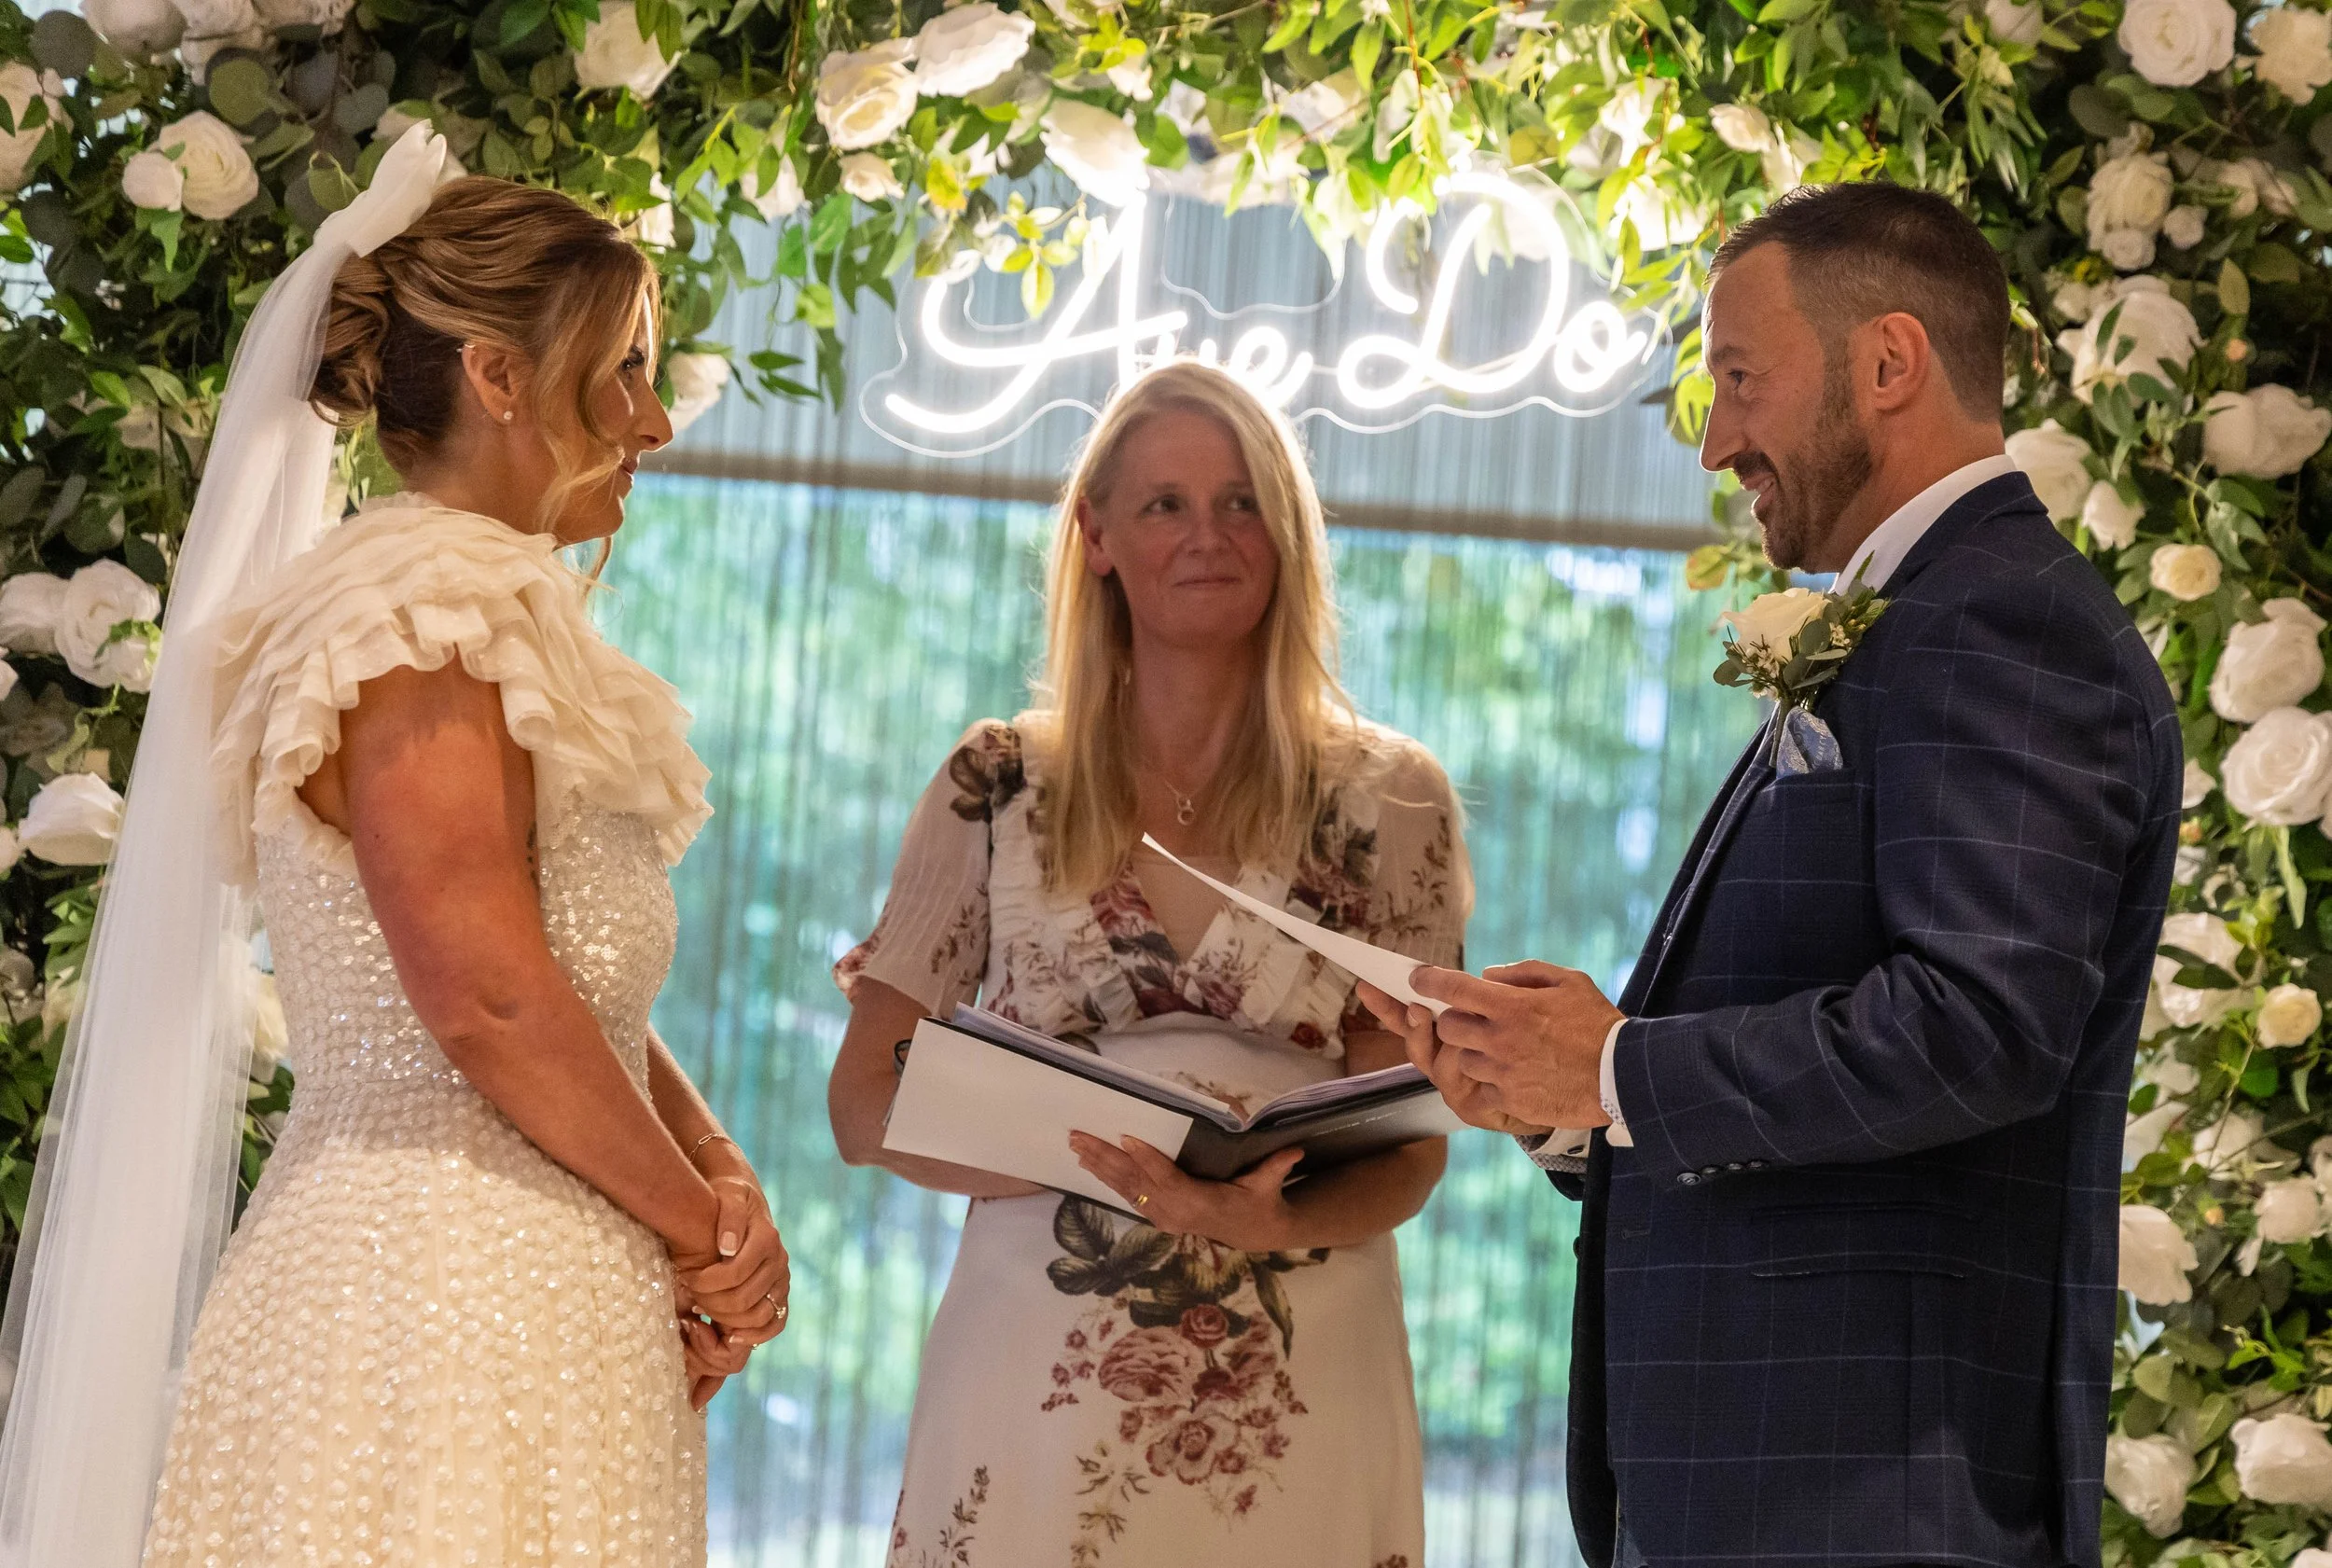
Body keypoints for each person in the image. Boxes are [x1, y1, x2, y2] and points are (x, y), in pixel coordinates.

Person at [0, 132, 788, 1567]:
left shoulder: (472, 609)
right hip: (429, 1302)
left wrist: (715, 1165)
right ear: (496, 376)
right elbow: (483, 993)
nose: (655, 420)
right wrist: (699, 1232)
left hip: (534, 1294)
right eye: (623, 370)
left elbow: (556, 979)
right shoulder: (420, 612)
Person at [1368, 182, 2182, 1567]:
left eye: (1740, 379)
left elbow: (1980, 1030)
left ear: (1889, 363)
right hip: (1777, 1488)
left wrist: (1624, 1070)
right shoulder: (1924, 617)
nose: (1713, 440)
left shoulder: (2000, 621)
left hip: (1870, 1495)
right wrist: (1562, 1100)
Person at [826, 360, 1467, 1568]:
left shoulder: (1395, 798)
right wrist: (1095, 1165)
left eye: (1240, 503)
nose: (1208, 536)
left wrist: (1252, 1222)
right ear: (1098, 535)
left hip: (1302, 1354)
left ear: (1286, 532)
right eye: (1165, 504)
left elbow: (1410, 1147)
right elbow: (864, 1105)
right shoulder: (996, 779)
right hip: (1037, 1364)